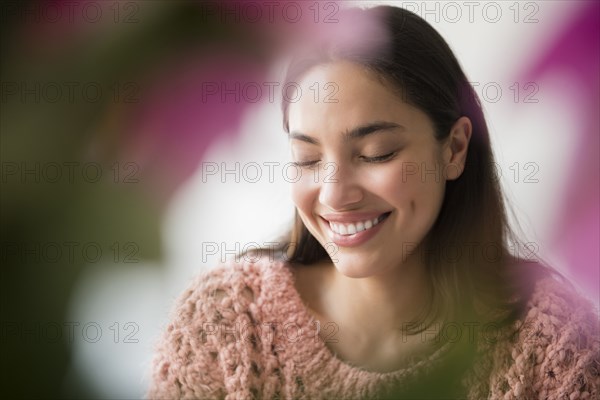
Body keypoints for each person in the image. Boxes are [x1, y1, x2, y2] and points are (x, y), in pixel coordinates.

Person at [147, 5, 599, 399]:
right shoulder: (224, 324)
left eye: (375, 153)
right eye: (307, 159)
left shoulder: (553, 349)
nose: (334, 194)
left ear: (455, 149)